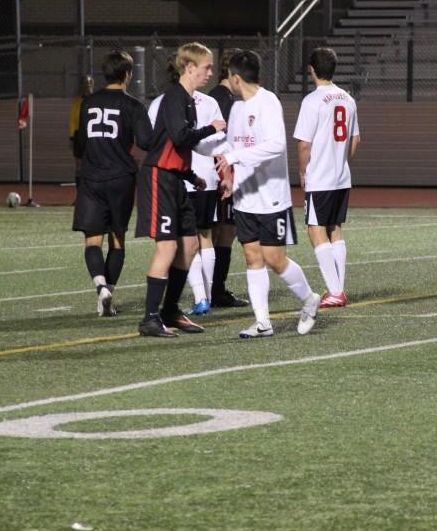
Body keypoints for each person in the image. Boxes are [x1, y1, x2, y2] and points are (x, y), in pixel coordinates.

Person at [215, 50, 321, 338]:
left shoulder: (268, 101)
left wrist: (235, 158)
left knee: (275, 259)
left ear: (236, 78)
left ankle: (310, 299)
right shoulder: (236, 109)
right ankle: (263, 322)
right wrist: (227, 176)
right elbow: (230, 147)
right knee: (252, 257)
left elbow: (275, 145)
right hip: (245, 196)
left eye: (228, 77)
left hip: (271, 197)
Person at [136, 42, 226, 338]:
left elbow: (172, 142)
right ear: (189, 67)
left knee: (190, 245)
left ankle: (170, 310)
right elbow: (180, 136)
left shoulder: (186, 99)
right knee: (168, 246)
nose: (210, 73)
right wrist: (213, 128)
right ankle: (150, 319)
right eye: (206, 67)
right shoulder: (175, 97)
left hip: (176, 179)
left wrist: (190, 174)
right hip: (159, 178)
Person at [72, 50, 152, 318]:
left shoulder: (88, 102)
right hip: (121, 179)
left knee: (92, 242)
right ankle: (109, 294)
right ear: (128, 74)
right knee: (117, 241)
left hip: (92, 177)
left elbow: (80, 144)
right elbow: (146, 141)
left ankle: (100, 289)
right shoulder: (133, 105)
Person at [293, 47, 360, 308]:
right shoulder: (347, 98)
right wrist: (340, 161)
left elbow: (303, 145)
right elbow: (355, 140)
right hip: (341, 176)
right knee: (335, 229)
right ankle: (338, 288)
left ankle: (335, 291)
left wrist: (302, 172)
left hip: (319, 177)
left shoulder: (311, 101)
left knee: (315, 230)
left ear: (311, 69)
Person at [207, 48, 249, 308]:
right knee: (222, 232)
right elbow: (220, 142)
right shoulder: (222, 100)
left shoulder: (220, 97)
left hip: (222, 172)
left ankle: (211, 290)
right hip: (223, 174)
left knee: (221, 232)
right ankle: (214, 290)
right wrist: (228, 176)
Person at [69, 74, 95, 197]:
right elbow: (73, 121)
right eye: (85, 83)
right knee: (79, 166)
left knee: (94, 164)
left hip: (94, 135)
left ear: (93, 84)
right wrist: (72, 137)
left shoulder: (97, 100)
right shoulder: (77, 103)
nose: (87, 85)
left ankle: (92, 195)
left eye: (89, 83)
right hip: (80, 135)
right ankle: (80, 196)